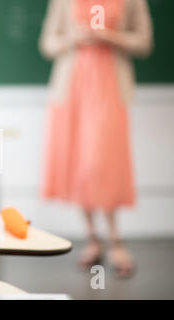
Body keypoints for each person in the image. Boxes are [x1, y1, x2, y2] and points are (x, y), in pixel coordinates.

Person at [39, 0, 153, 277]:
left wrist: (110, 37)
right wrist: (74, 38)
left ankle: (115, 239)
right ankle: (92, 238)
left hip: (110, 87)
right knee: (79, 162)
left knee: (104, 162)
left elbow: (144, 43)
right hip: (71, 90)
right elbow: (48, 44)